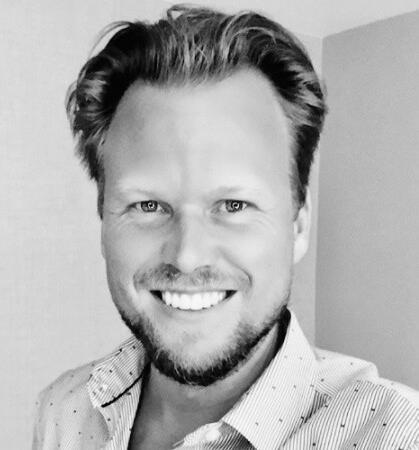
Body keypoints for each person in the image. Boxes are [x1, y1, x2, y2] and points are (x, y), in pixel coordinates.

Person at [32, 5, 419, 450]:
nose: (187, 256)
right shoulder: (62, 409)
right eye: (148, 205)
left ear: (298, 222)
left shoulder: (399, 435)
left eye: (234, 205)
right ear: (104, 217)